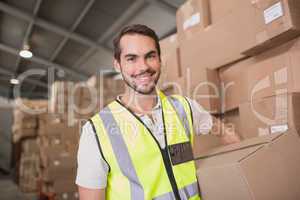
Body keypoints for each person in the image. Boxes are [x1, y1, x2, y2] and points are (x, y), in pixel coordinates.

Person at [76, 24, 240, 200]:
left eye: (150, 56)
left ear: (160, 60)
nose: (143, 67)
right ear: (117, 64)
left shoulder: (184, 108)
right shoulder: (95, 131)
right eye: (132, 59)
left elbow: (224, 132)